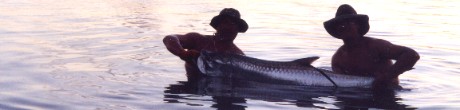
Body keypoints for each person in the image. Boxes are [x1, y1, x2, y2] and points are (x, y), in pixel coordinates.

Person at [323, 4, 420, 89]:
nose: (344, 26)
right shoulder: (337, 59)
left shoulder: (376, 46)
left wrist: (387, 77)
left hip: (389, 93)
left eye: (349, 22)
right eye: (340, 24)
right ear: (336, 30)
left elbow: (412, 55)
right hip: (356, 96)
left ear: (358, 26)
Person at [163, 8, 248, 79]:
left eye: (233, 24)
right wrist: (182, 53)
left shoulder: (239, 56)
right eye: (224, 22)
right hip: (190, 92)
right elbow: (169, 39)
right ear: (217, 26)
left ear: (238, 29)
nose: (228, 27)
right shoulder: (198, 40)